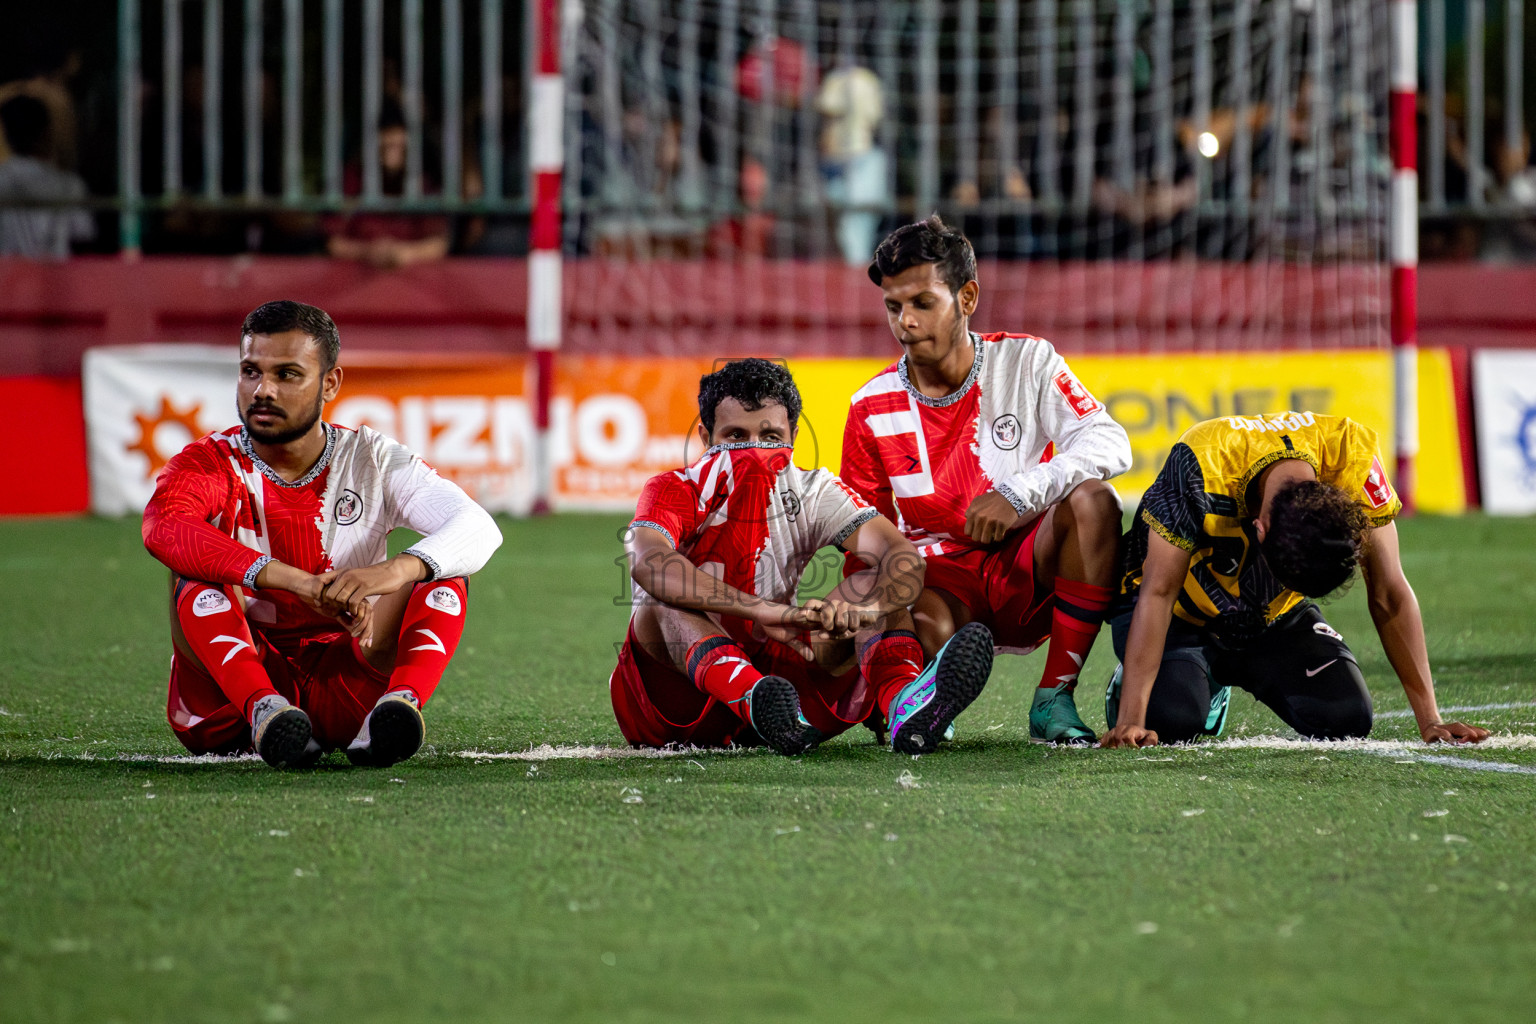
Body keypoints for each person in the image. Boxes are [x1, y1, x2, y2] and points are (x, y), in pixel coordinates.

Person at [141, 300, 503, 768]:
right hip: (229, 704)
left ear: (330, 383)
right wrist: (294, 580)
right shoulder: (210, 462)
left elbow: (478, 527)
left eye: (287, 375)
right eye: (250, 372)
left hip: (347, 683)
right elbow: (163, 528)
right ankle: (266, 710)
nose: (262, 390)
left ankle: (398, 707)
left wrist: (393, 571)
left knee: (444, 567)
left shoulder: (373, 458)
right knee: (191, 568)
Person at [842, 217, 1131, 745]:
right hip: (939, 588)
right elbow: (864, 538)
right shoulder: (869, 407)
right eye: (892, 306)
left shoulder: (1027, 361)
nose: (904, 321)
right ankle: (917, 700)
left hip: (1025, 567)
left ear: (967, 296)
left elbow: (1111, 442)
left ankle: (1054, 700)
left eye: (922, 303)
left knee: (1095, 501)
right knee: (880, 584)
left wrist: (1020, 493)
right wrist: (873, 620)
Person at [613, 358, 994, 756]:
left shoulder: (814, 490)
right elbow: (649, 563)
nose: (755, 451)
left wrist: (865, 611)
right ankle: (752, 698)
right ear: (707, 438)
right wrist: (764, 611)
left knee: (874, 583)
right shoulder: (674, 488)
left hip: (784, 689)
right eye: (736, 436)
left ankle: (904, 705)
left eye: (770, 436)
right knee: (657, 606)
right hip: (679, 700)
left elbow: (901, 556)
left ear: (793, 436)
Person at [1100, 411, 1490, 749]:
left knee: (1347, 718)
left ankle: (1221, 671)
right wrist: (1131, 719)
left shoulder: (1352, 457)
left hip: (1274, 617)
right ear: (1260, 529)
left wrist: (1431, 719)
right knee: (1171, 721)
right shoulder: (1202, 461)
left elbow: (1389, 593)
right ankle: (1144, 682)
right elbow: (1159, 590)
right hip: (1182, 615)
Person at [324, 104, 451, 269]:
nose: (392, 139)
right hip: (356, 280)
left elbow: (439, 244)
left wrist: (405, 252)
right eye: (385, 132)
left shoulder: (424, 182)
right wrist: (367, 251)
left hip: (415, 281)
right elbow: (333, 242)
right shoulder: (352, 179)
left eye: (399, 133)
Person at [0, 95, 92, 258]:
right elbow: (83, 235)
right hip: (55, 277)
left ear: (6, 135)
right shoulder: (69, 184)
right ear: (46, 132)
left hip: (8, 278)